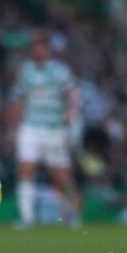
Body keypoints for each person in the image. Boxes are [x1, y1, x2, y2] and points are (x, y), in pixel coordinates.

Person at [11, 31, 82, 228]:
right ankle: (27, 218)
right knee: (25, 169)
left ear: (47, 49)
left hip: (54, 129)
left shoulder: (59, 71)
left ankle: (72, 213)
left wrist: (71, 116)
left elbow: (72, 94)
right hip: (30, 127)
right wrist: (15, 128)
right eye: (33, 46)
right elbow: (20, 99)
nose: (36, 50)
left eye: (39, 46)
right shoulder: (26, 71)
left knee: (61, 176)